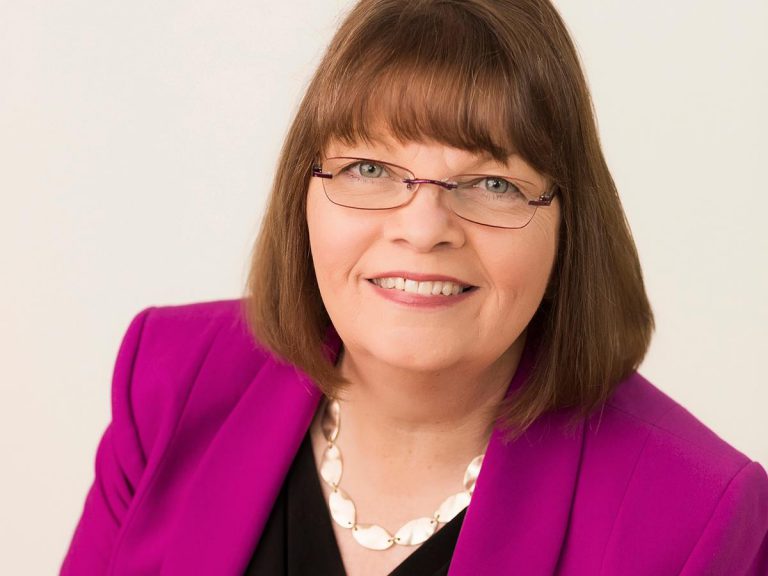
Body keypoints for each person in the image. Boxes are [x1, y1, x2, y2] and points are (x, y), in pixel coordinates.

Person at [61, 0, 768, 574]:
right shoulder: (172, 379)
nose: (425, 227)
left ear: (569, 225)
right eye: (370, 168)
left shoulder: (695, 517)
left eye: (492, 183)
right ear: (302, 195)